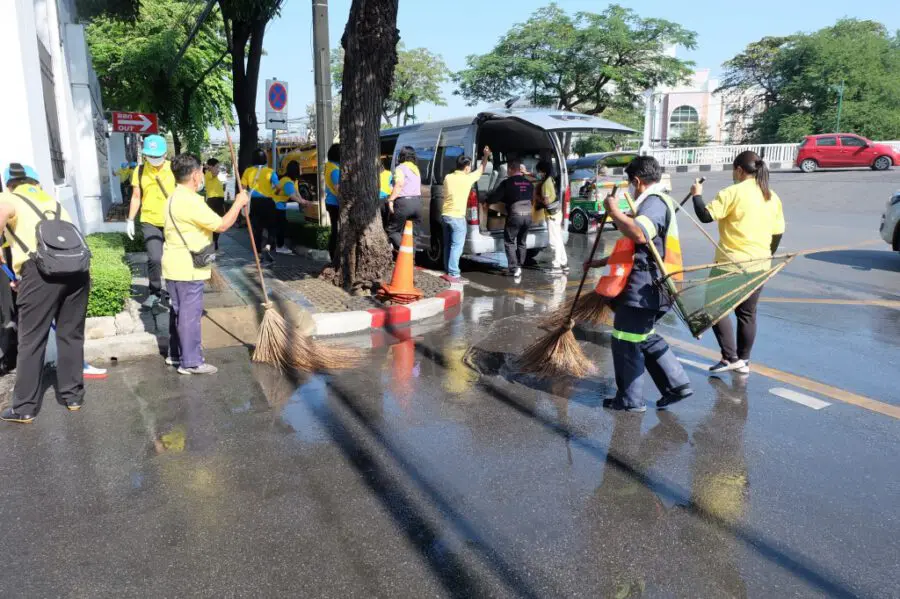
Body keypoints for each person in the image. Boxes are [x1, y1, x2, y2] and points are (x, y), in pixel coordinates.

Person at [594, 155, 692, 412]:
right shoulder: (658, 202)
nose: (629, 187)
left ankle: (629, 401)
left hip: (647, 287)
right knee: (644, 335)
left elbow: (639, 232)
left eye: (629, 183)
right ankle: (676, 384)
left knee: (624, 338)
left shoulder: (654, 203)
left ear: (637, 181)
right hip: (656, 286)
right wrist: (600, 262)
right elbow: (642, 246)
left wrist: (613, 210)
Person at [0, 164, 90, 423]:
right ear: (36, 183)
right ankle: (73, 397)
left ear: (9, 184)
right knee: (71, 335)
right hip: (77, 271)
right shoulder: (53, 202)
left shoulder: (9, 197)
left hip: (40, 273)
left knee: (31, 339)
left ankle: (24, 407)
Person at [690, 151, 785, 375]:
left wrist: (697, 194)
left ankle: (730, 357)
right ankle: (744, 361)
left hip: (730, 264)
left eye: (734, 170)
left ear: (739, 170)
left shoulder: (732, 192)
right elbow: (778, 233)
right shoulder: (771, 195)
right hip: (760, 264)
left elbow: (705, 215)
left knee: (714, 308)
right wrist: (766, 256)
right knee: (747, 313)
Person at [163, 154, 249, 374]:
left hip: (174, 264)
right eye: (200, 172)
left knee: (178, 312)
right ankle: (191, 362)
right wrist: (238, 203)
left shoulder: (174, 196)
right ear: (194, 175)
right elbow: (221, 225)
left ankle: (175, 354)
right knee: (189, 315)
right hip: (189, 268)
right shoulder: (190, 201)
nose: (201, 176)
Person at [127, 135, 176, 310]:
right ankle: (155, 292)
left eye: (158, 156)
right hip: (150, 220)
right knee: (155, 258)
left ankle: (172, 293)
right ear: (145, 154)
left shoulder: (174, 169)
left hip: (173, 221)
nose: (154, 160)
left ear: (165, 154)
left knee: (172, 259)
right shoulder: (139, 171)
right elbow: (136, 196)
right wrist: (130, 219)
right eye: (151, 156)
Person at [440, 147, 491, 283]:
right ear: (467, 167)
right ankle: (454, 274)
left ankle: (448, 271)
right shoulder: (467, 179)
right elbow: (481, 169)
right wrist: (485, 156)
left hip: (445, 215)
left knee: (448, 245)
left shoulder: (448, 177)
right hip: (457, 217)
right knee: (457, 246)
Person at [488, 157, 533, 278]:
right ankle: (520, 265)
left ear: (511, 169)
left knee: (509, 241)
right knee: (522, 242)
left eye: (508, 169)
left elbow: (494, 198)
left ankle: (513, 268)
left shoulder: (507, 183)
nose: (507, 172)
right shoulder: (528, 183)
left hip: (515, 215)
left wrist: (487, 199)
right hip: (528, 216)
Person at [240, 148, 281, 263]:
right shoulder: (270, 171)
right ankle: (268, 246)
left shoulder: (247, 171)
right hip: (268, 202)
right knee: (272, 227)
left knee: (257, 229)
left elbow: (243, 188)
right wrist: (274, 193)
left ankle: (258, 255)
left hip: (254, 203)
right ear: (265, 159)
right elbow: (278, 187)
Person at [535, 159, 568, 275]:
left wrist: (536, 197)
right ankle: (564, 264)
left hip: (552, 216)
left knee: (553, 242)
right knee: (559, 240)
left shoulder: (545, 184)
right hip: (557, 213)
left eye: (539, 171)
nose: (538, 173)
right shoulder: (551, 180)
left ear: (543, 171)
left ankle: (556, 267)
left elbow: (546, 202)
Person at [387, 146, 422, 251]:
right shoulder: (416, 169)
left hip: (403, 203)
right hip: (417, 203)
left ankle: (405, 251)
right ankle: (411, 259)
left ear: (401, 156)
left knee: (392, 231)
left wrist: (391, 200)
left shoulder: (400, 168)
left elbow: (399, 184)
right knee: (413, 235)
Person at [273, 160, 311, 254]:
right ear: (296, 170)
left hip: (279, 205)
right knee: (281, 227)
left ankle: (279, 245)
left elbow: (296, 193)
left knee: (282, 225)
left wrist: (303, 201)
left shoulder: (290, 180)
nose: (301, 169)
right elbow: (292, 196)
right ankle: (280, 247)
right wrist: (303, 202)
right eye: (300, 168)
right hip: (277, 205)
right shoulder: (288, 182)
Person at [204, 158, 226, 250]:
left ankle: (215, 240)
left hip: (219, 200)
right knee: (214, 222)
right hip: (213, 200)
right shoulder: (208, 174)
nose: (218, 168)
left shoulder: (215, 177)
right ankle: (212, 241)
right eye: (217, 166)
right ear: (211, 166)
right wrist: (208, 166)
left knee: (219, 222)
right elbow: (214, 173)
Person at [323, 144, 341, 261]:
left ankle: (333, 255)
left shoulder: (329, 165)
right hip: (335, 203)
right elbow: (337, 188)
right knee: (336, 230)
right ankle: (333, 256)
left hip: (330, 201)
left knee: (335, 229)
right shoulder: (335, 169)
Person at [379, 157, 393, 230]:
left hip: (376, 200)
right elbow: (391, 187)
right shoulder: (389, 173)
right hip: (386, 199)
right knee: (386, 220)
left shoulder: (372, 175)